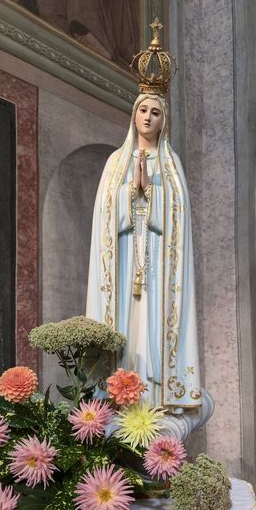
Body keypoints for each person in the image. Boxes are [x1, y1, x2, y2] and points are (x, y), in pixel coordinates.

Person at [86, 21, 213, 437]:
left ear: (163, 120)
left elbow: (178, 217)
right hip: (124, 264)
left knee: (153, 328)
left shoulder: (171, 166)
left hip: (159, 267)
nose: (148, 117)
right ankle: (118, 395)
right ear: (133, 115)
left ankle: (157, 393)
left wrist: (151, 195)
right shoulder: (115, 163)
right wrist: (131, 193)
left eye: (155, 112)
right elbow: (105, 214)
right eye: (143, 110)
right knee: (126, 329)